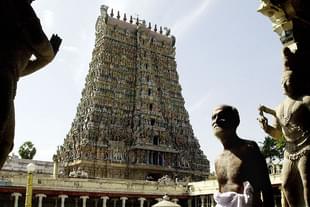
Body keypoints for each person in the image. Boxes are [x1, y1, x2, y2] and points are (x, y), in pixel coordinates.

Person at [0, 0, 62, 168]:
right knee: (4, 140)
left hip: (9, 77)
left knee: (5, 140)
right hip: (4, 80)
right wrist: (52, 50)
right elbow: (43, 48)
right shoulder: (19, 7)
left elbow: (20, 68)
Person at [258, 47, 310, 207]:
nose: (285, 85)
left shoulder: (306, 100)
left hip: (306, 147)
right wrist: (266, 128)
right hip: (289, 151)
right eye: (283, 83)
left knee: (307, 182)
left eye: (289, 81)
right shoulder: (280, 108)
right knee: (286, 184)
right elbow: (279, 135)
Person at [212, 105, 274, 207]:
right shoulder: (218, 159)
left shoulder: (249, 148)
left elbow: (266, 188)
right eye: (213, 118)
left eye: (221, 116)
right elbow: (222, 193)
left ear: (235, 121)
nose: (216, 121)